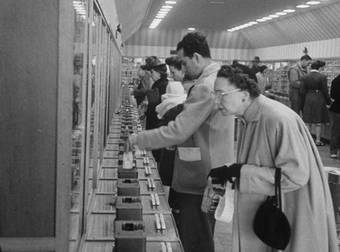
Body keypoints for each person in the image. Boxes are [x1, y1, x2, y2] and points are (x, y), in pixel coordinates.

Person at [209, 65, 338, 252]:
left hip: (290, 214)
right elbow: (261, 160)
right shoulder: (250, 116)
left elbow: (295, 176)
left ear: (244, 95)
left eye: (221, 94)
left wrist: (240, 173)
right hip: (270, 209)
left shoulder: (276, 119)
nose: (216, 102)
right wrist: (230, 172)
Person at [129, 32, 234, 252]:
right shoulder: (219, 79)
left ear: (196, 57)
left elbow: (178, 130)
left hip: (197, 177)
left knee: (193, 237)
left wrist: (138, 139)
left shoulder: (206, 86)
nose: (183, 70)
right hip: (214, 170)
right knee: (203, 234)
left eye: (185, 63)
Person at [300, 60, 331, 146]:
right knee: (318, 121)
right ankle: (317, 140)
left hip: (308, 98)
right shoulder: (322, 77)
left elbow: (302, 91)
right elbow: (325, 91)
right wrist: (328, 101)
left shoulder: (305, 77)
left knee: (307, 120)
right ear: (320, 68)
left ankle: (307, 140)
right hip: (319, 98)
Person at [144, 57, 169, 162]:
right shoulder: (160, 83)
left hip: (156, 120)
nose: (151, 74)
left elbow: (155, 104)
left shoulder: (161, 85)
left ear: (159, 73)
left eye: (152, 72)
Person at [329, 73, 340, 158]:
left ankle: (333, 152)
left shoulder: (335, 81)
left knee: (335, 131)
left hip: (336, 109)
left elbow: (332, 96)